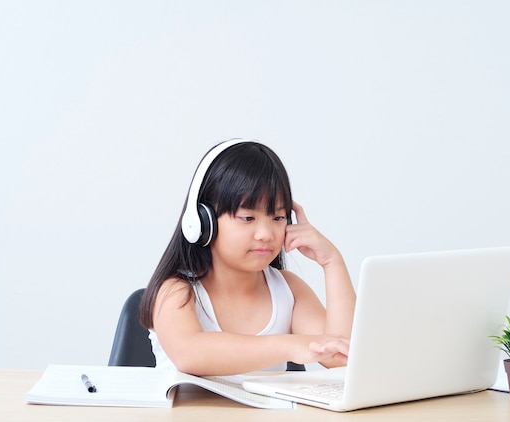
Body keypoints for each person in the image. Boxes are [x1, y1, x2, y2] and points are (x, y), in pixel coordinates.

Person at [139, 139, 356, 376]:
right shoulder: (176, 291)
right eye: (247, 218)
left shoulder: (289, 289)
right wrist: (291, 345)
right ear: (203, 221)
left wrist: (332, 263)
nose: (266, 234)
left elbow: (341, 356)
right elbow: (190, 354)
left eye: (278, 218)